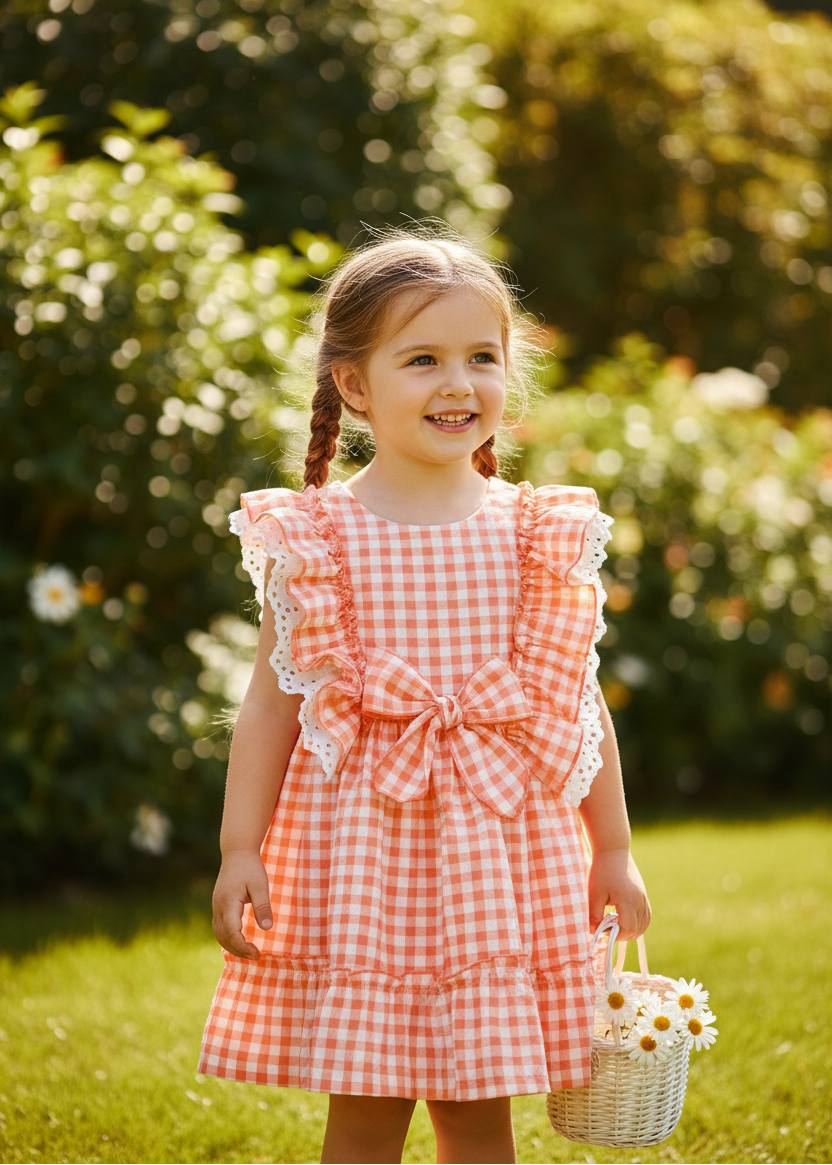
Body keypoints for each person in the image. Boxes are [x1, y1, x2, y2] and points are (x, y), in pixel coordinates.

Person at [199, 230, 651, 1165]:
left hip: (494, 855)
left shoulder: (533, 534)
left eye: (482, 357)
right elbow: (273, 703)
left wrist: (612, 844)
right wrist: (240, 844)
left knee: (478, 1111)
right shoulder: (319, 537)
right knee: (365, 1109)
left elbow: (576, 702)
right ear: (354, 385)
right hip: (366, 856)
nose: (460, 383)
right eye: (424, 360)